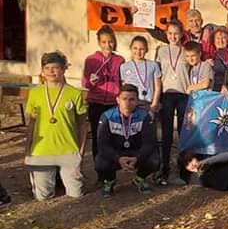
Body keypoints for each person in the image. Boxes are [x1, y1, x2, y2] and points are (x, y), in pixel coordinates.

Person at [25, 51, 87, 200]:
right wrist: (28, 150)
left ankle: (61, 176)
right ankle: (52, 178)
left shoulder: (75, 93)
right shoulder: (35, 93)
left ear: (64, 69)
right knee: (43, 197)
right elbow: (31, 124)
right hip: (41, 151)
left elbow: (82, 125)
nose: (51, 71)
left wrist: (81, 151)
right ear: (42, 71)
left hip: (68, 150)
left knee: (76, 195)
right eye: (47, 68)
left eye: (56, 67)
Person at [95, 84, 159, 197]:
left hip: (136, 152)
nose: (127, 103)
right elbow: (102, 145)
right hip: (117, 152)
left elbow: (149, 143)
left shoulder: (145, 116)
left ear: (137, 101)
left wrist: (137, 158)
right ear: (118, 100)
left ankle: (139, 179)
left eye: (132, 99)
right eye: (124, 99)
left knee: (155, 160)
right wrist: (118, 158)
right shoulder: (107, 116)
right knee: (100, 163)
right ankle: (109, 181)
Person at [82, 25, 124, 159]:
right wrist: (92, 82)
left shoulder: (120, 60)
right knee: (97, 135)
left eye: (110, 41)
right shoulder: (91, 60)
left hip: (113, 103)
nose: (107, 45)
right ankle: (98, 164)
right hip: (96, 103)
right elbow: (85, 84)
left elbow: (122, 82)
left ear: (114, 41)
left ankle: (111, 164)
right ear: (99, 43)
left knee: (113, 135)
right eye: (104, 42)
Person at [155, 20, 189, 185]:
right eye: (170, 33)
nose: (173, 36)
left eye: (176, 33)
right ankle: (165, 169)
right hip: (167, 94)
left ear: (181, 34)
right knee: (166, 134)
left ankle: (183, 169)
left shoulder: (187, 50)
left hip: (184, 94)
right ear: (166, 34)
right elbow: (156, 75)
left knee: (183, 133)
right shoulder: (160, 51)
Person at [121, 36, 162, 113]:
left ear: (146, 49)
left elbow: (158, 87)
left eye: (142, 49)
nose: (138, 51)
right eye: (135, 48)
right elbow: (124, 87)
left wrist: (154, 104)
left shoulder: (153, 65)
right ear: (130, 48)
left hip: (149, 104)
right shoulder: (124, 66)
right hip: (131, 105)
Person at [210, 27, 228, 92]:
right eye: (218, 38)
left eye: (224, 38)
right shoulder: (210, 55)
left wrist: (225, 85)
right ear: (213, 40)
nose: (220, 41)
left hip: (225, 89)